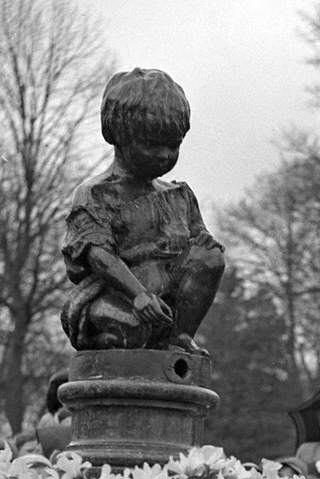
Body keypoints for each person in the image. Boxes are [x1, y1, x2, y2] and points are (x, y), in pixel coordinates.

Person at [61, 68, 225, 355]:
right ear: (118, 137)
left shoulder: (179, 195)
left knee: (210, 259)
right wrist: (139, 295)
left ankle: (180, 338)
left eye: (173, 145)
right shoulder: (96, 195)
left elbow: (200, 244)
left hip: (169, 303)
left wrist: (206, 246)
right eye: (151, 145)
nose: (164, 155)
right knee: (132, 331)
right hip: (119, 297)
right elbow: (100, 256)